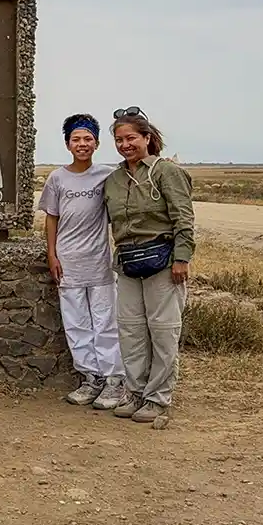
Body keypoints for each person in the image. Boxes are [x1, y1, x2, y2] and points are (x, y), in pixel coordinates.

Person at [103, 107, 195, 425]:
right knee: (130, 331)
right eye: (119, 139)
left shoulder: (166, 173)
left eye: (131, 138)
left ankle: (158, 398)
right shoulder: (113, 180)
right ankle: (135, 392)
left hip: (163, 262)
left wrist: (182, 258)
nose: (125, 144)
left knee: (163, 331)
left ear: (147, 138)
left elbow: (183, 217)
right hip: (128, 263)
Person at [39, 114, 125, 410]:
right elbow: (52, 218)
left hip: (99, 263)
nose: (82, 144)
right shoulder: (57, 178)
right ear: (67, 144)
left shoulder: (107, 175)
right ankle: (91, 379)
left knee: (105, 322)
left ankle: (114, 381)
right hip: (68, 263)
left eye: (87, 139)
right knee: (76, 323)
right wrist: (52, 254)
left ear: (97, 143)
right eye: (76, 139)